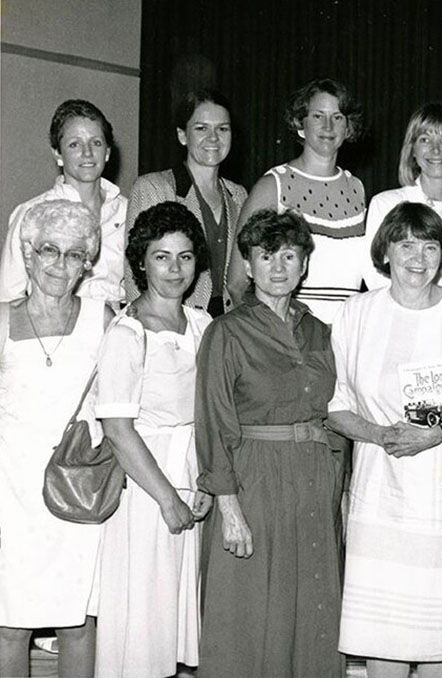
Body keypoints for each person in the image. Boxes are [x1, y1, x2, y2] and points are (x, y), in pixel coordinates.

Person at [328, 202, 442, 678]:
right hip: (380, 494)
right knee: (384, 628)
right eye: (406, 244)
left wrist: (432, 436)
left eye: (430, 246)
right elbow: (336, 404)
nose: (418, 258)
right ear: (384, 251)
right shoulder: (356, 314)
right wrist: (381, 434)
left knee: (437, 630)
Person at [196, 209, 345, 677]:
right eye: (266, 256)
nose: (278, 266)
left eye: (289, 255)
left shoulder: (320, 331)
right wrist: (229, 507)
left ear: (304, 264)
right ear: (248, 264)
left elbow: (336, 412)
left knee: (312, 608)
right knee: (250, 612)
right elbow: (213, 420)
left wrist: (338, 491)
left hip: (315, 481)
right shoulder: (227, 331)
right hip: (254, 481)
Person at [92, 202, 213, 677]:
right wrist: (166, 498)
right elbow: (119, 430)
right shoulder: (127, 332)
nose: (174, 269)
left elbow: (210, 413)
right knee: (143, 619)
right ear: (141, 262)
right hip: (145, 488)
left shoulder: (203, 324)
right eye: (161, 257)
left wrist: (205, 481)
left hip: (191, 474)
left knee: (176, 619)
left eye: (184, 257)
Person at [0, 200, 113, 678]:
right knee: (9, 624)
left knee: (78, 621)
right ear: (27, 254)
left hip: (76, 484)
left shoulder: (104, 318)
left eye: (73, 254)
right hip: (10, 487)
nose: (59, 265)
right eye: (49, 250)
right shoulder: (1, 320)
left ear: (88, 263)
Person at [227, 78, 366, 324]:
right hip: (292, 340)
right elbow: (237, 283)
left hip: (347, 339)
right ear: (301, 124)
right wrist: (273, 337)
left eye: (337, 117)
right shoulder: (273, 186)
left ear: (348, 127)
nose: (328, 126)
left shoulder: (356, 189)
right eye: (317, 116)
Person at [124, 89, 248, 316]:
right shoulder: (154, 188)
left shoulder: (239, 196)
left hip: (229, 322)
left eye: (222, 129)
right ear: (182, 135)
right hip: (173, 320)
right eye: (201, 128)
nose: (213, 138)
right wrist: (141, 326)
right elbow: (135, 274)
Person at [0, 99, 127, 305]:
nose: (87, 153)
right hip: (53, 330)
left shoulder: (128, 211)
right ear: (58, 153)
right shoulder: (31, 213)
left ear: (108, 152)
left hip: (116, 328)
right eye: (74, 144)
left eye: (96, 142)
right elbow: (8, 296)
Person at [363, 102, 442, 302]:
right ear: (412, 150)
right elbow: (376, 275)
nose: (436, 149)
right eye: (425, 139)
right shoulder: (386, 204)